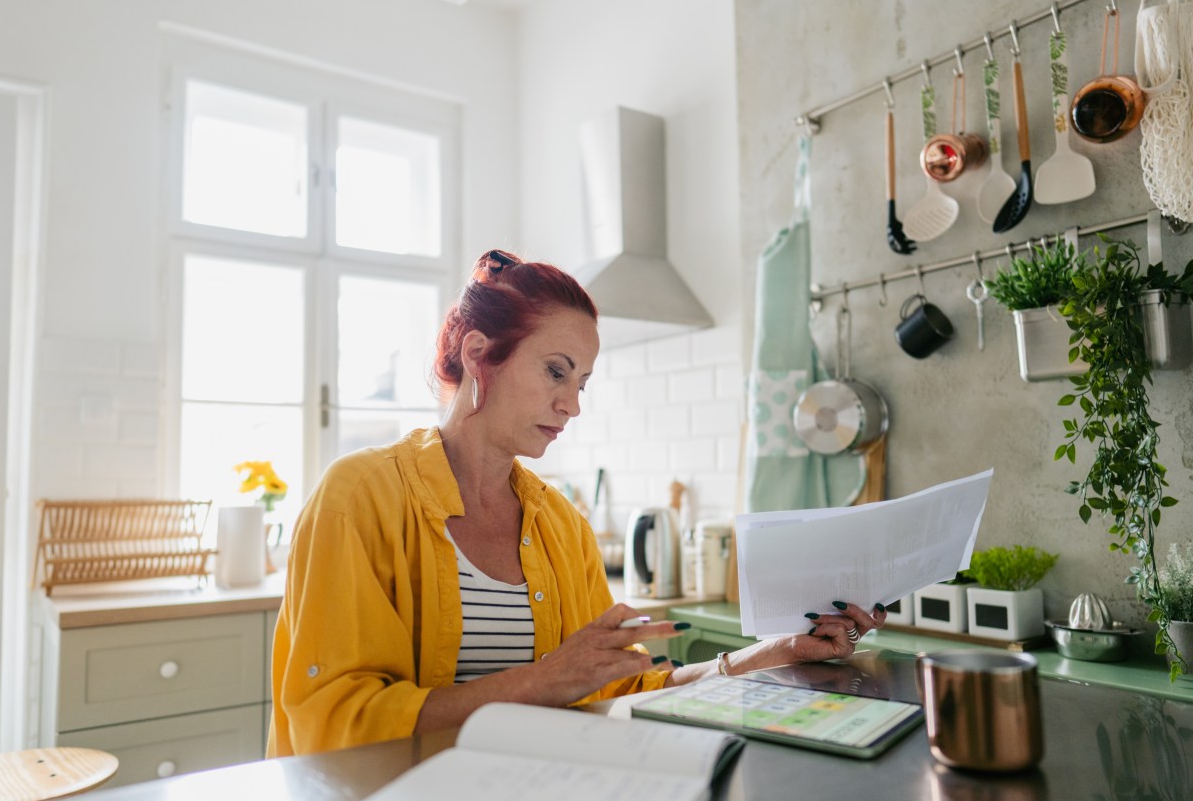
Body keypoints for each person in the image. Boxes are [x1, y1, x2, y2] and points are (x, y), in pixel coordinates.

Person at [267, 249, 885, 757]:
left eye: (582, 382)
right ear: (479, 355)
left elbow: (627, 685)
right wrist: (538, 683)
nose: (573, 405)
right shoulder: (360, 496)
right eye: (556, 372)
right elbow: (333, 719)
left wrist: (768, 654)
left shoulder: (559, 522)